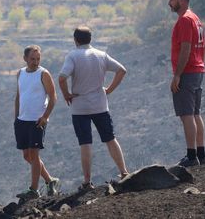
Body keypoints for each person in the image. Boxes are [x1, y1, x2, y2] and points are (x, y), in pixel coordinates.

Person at [58, 26, 129, 190]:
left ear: (75, 40)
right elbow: (121, 70)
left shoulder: (73, 56)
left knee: (85, 143)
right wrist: (109, 90)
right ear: (90, 39)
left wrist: (67, 95)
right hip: (100, 105)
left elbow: (62, 78)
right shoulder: (100, 55)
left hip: (79, 107)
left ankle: (87, 181)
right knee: (110, 139)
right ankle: (124, 172)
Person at [168, 0, 205, 167]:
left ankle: (191, 157)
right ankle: (201, 155)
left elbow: (186, 48)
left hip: (188, 72)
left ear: (182, 1)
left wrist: (178, 75)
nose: (169, 2)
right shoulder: (196, 18)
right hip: (198, 70)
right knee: (196, 114)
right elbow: (204, 48)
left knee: (187, 115)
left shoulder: (185, 20)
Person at [14, 45, 61, 200]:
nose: (35, 62)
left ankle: (33, 190)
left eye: (38, 59)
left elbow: (53, 97)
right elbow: (19, 96)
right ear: (25, 58)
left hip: (37, 120)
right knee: (26, 156)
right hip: (22, 120)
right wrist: (16, 117)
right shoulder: (20, 73)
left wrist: (45, 117)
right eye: (32, 59)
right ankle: (50, 181)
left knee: (34, 154)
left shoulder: (44, 74)